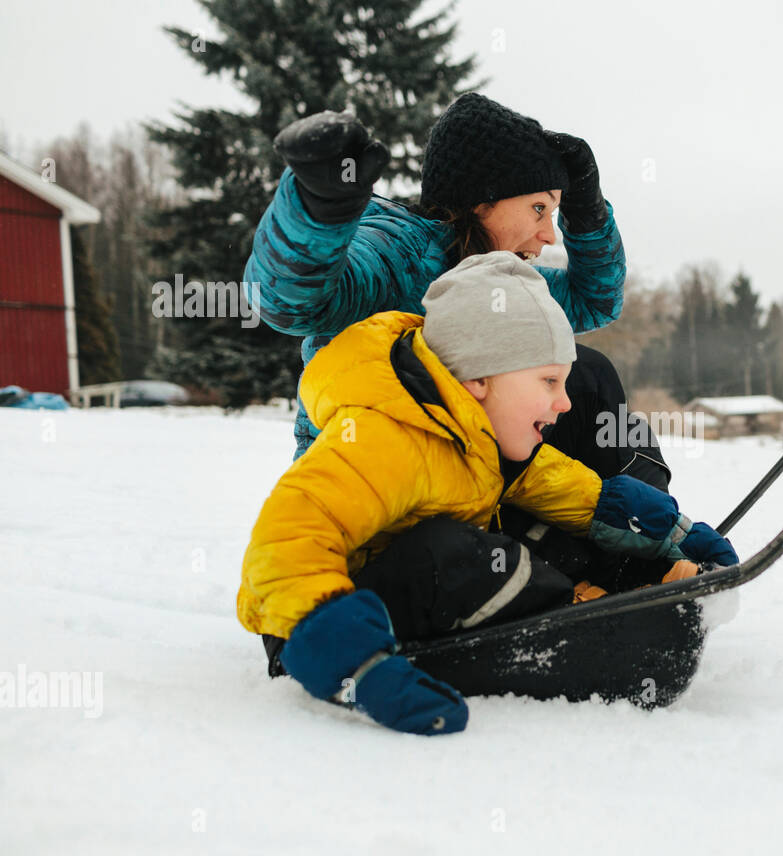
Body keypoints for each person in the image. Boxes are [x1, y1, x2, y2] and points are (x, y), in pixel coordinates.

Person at [237, 253, 737, 737]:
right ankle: (586, 622)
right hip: (317, 629)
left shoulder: (476, 434)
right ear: (478, 378)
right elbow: (285, 539)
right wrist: (353, 662)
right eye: (548, 381)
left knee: (539, 532)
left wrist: (668, 530)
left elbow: (559, 485)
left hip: (406, 605)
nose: (564, 403)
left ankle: (642, 583)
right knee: (456, 552)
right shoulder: (383, 434)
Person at [245, 92, 670, 491]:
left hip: (460, 483)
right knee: (580, 374)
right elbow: (289, 302)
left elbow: (594, 300)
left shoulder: (501, 280)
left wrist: (589, 211)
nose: (548, 235)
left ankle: (641, 528)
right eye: (539, 208)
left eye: (556, 212)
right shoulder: (398, 253)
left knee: (586, 378)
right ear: (480, 200)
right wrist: (318, 208)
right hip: (370, 496)